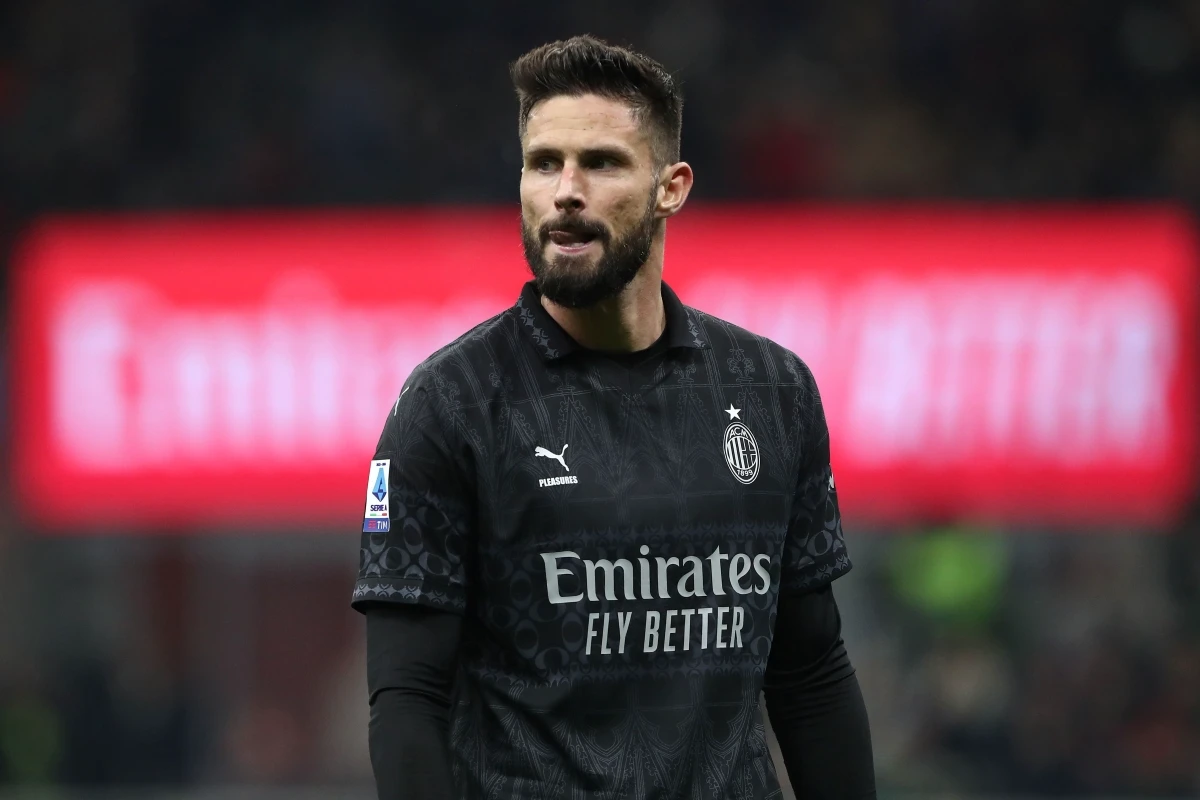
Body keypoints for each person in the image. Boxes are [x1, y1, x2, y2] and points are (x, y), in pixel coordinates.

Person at [352, 35, 876, 800]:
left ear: (672, 187)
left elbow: (811, 674)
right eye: (543, 163)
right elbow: (405, 700)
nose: (565, 190)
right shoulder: (451, 407)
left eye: (600, 163)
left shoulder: (772, 391)